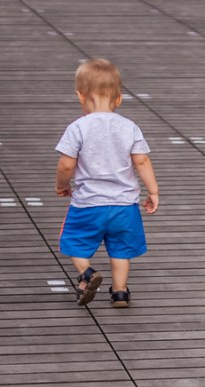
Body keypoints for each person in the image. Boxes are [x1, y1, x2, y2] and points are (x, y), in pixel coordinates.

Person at [55, 58, 159, 307]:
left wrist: (61, 185)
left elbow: (66, 164)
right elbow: (142, 161)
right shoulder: (129, 127)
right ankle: (120, 293)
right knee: (121, 250)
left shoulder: (77, 128)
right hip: (125, 206)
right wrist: (153, 191)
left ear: (80, 96)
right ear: (119, 98)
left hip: (88, 204)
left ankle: (87, 274)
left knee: (74, 243)